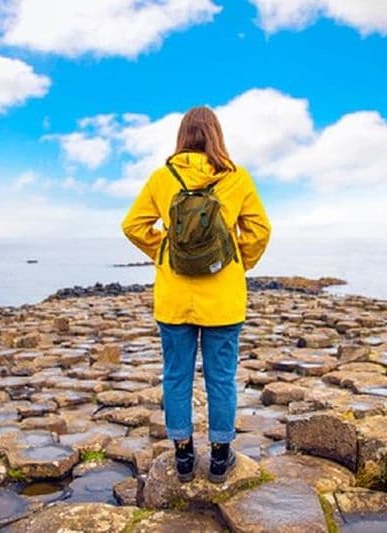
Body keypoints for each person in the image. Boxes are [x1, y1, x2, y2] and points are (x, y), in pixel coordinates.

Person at [121, 106, 271, 483]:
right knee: (221, 377)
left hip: (173, 298)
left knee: (176, 375)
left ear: (183, 136)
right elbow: (259, 232)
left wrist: (162, 251)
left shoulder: (162, 177)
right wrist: (236, 263)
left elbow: (133, 225)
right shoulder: (237, 179)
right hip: (223, 300)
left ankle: (184, 456)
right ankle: (220, 456)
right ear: (216, 135)